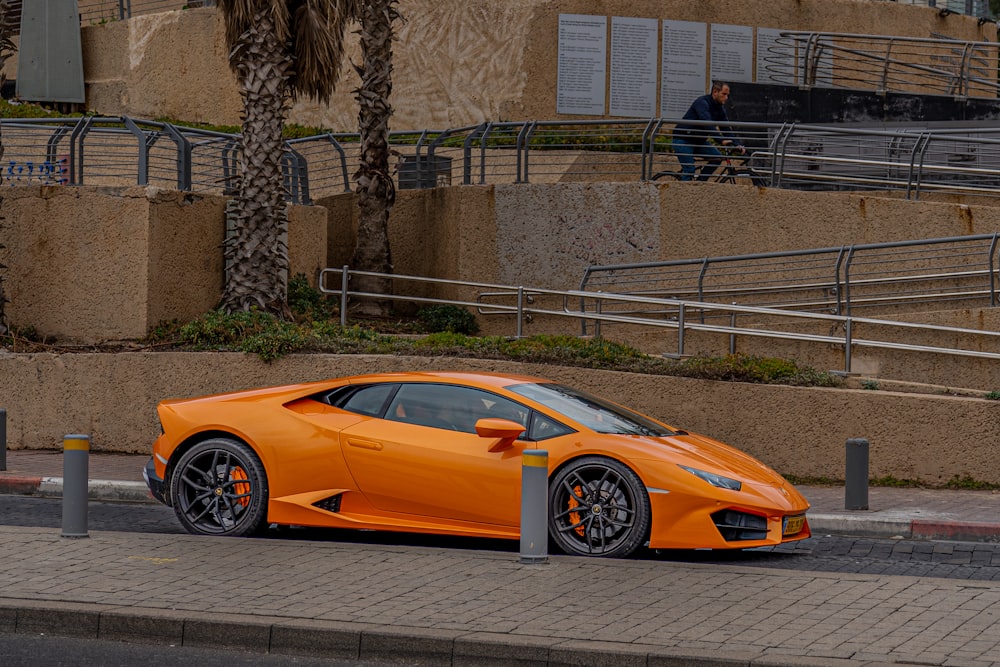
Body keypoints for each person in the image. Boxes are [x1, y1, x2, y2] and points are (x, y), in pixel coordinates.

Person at [672, 81, 746, 181]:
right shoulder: (702, 102)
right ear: (715, 92)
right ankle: (682, 195)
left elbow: (725, 128)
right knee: (689, 170)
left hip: (699, 141)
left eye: (727, 95)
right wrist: (721, 140)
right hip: (683, 140)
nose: (726, 98)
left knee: (717, 158)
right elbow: (707, 122)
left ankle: (700, 183)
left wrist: (737, 144)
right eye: (724, 94)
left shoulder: (720, 109)